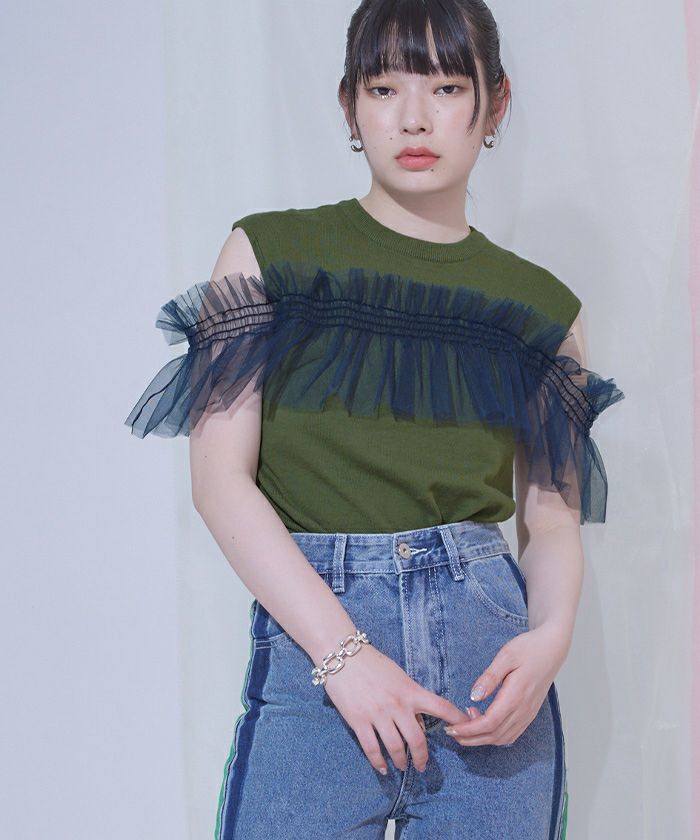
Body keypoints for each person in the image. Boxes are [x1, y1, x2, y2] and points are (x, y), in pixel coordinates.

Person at [125, 1, 624, 838]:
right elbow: (219, 482)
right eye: (385, 88)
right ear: (349, 104)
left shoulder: (541, 307)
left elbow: (550, 520)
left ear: (495, 102)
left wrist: (551, 639)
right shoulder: (268, 255)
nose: (414, 118)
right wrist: (344, 658)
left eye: (448, 87)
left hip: (489, 673)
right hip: (316, 657)